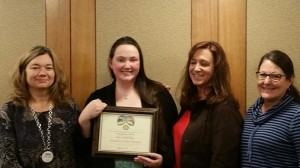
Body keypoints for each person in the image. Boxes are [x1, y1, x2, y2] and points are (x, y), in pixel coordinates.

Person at [79, 36, 178, 168]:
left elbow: (173, 138)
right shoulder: (98, 97)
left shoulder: (160, 95)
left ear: (140, 63)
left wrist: (163, 162)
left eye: (133, 60)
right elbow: (84, 148)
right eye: (121, 60)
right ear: (110, 63)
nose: (127, 65)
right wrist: (83, 120)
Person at [0, 46, 85, 167]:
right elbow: (7, 159)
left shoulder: (70, 106)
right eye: (35, 67)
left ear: (55, 73)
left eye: (49, 68)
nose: (42, 73)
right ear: (23, 72)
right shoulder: (9, 111)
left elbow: (81, 150)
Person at [173, 41, 243, 168]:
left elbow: (223, 162)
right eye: (193, 62)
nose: (196, 68)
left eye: (204, 64)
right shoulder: (189, 103)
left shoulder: (224, 109)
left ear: (216, 70)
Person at [241, 50, 300, 167]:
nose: (267, 81)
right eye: (262, 75)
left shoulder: (296, 116)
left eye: (275, 76)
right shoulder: (252, 112)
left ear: (289, 80)